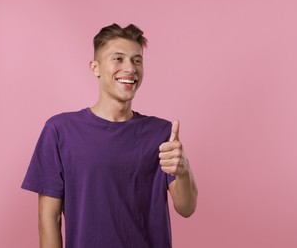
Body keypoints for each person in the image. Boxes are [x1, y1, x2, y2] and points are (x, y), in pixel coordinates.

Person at [21, 23, 198, 248]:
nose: (130, 68)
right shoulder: (60, 130)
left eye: (137, 60)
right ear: (95, 67)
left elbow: (187, 208)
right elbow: (48, 219)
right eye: (118, 59)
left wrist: (183, 171)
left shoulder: (162, 133)